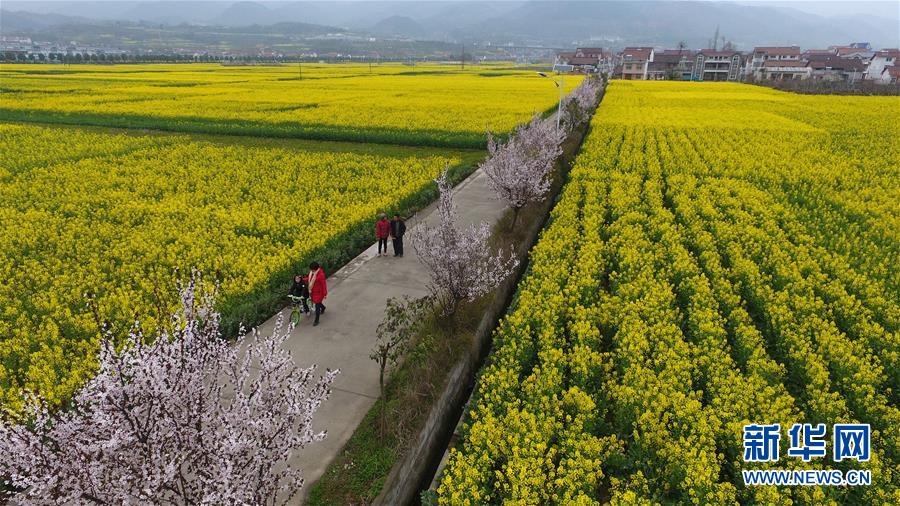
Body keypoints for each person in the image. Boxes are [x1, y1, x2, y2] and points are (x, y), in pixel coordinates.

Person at [308, 261, 328, 326]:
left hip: (319, 293)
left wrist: (325, 293)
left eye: (312, 269)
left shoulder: (321, 275)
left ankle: (316, 320)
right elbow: (309, 279)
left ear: (315, 269)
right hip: (313, 292)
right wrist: (301, 279)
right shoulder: (312, 273)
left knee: (317, 306)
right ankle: (323, 308)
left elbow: (324, 284)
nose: (311, 270)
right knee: (317, 303)